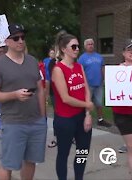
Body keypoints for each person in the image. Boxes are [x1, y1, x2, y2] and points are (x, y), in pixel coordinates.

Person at [0, 24, 47, 180]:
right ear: (7, 41)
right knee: (8, 165)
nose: (20, 41)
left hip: (36, 121)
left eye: (23, 37)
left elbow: (40, 89)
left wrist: (43, 117)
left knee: (31, 161)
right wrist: (14, 95)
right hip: (13, 122)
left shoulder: (32, 61)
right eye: (16, 38)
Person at [51, 31, 94, 180]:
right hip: (65, 119)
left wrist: (88, 113)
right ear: (63, 49)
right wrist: (87, 104)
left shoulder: (79, 66)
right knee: (63, 153)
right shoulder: (58, 69)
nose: (77, 49)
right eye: (73, 46)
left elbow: (86, 89)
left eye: (77, 46)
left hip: (82, 116)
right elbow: (65, 98)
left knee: (83, 152)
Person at [78, 38, 112, 127]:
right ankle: (85, 118)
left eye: (92, 44)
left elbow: (102, 68)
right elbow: (80, 72)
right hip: (88, 85)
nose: (91, 45)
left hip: (99, 84)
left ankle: (100, 119)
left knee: (99, 103)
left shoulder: (99, 56)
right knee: (87, 103)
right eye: (89, 44)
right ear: (85, 46)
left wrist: (105, 79)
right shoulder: (82, 58)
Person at [112, 39, 132, 174]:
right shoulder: (117, 71)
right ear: (123, 53)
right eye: (129, 50)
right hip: (122, 113)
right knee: (131, 147)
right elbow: (112, 92)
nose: (131, 52)